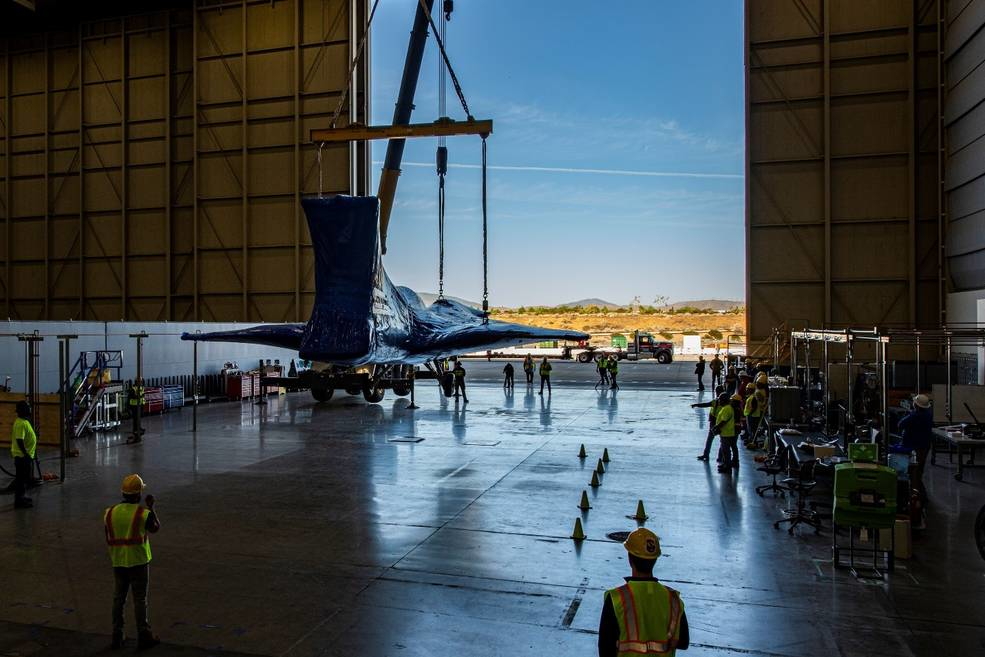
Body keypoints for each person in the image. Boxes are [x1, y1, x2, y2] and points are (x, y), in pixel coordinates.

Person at [598, 528, 689, 657]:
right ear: (655, 560)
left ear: (630, 559)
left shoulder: (617, 599)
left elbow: (605, 650)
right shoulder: (673, 599)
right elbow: (683, 642)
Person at [105, 474, 161, 650]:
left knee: (118, 598)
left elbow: (108, 535)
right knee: (139, 600)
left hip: (118, 560)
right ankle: (144, 636)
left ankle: (117, 634)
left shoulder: (109, 512)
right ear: (138, 495)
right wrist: (152, 508)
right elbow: (155, 528)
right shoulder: (142, 513)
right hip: (138, 561)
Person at [898, 394, 933, 502]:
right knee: (919, 470)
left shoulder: (915, 415)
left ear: (916, 405)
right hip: (924, 446)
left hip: (914, 448)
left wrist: (910, 413)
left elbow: (900, 424)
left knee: (914, 472)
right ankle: (920, 495)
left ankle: (918, 497)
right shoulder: (928, 414)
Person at [10, 400, 36, 509]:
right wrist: (25, 454)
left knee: (23, 478)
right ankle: (19, 501)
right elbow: (19, 440)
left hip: (25, 456)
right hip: (22, 457)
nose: (29, 409)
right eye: (28, 408)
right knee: (21, 480)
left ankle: (22, 497)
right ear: (23, 410)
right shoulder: (20, 423)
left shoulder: (24, 421)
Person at [693, 389, 726, 461]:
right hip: (714, 422)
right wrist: (696, 405)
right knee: (712, 439)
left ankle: (720, 457)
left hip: (720, 423)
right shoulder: (716, 402)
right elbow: (706, 404)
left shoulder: (724, 404)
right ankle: (708, 455)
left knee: (721, 441)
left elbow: (707, 404)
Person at [716, 394, 742, 473]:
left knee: (727, 448)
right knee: (732, 446)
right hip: (733, 430)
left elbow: (724, 420)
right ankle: (733, 462)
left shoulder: (731, 409)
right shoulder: (736, 408)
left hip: (730, 431)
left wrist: (717, 427)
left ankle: (728, 464)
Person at [127, 380, 145, 444]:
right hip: (134, 406)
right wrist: (128, 408)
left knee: (138, 419)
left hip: (140, 406)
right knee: (136, 419)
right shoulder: (133, 388)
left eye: (141, 381)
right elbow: (131, 397)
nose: (141, 383)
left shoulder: (142, 387)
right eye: (140, 381)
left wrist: (143, 406)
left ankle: (138, 429)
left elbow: (142, 398)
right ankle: (135, 431)